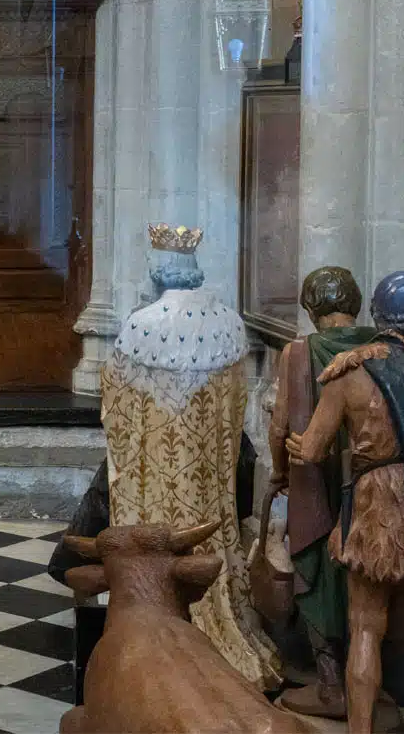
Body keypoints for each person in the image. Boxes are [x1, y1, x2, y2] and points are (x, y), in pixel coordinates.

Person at [99, 224, 281, 689]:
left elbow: (117, 404)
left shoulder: (144, 325)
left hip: (154, 474)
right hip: (205, 469)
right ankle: (219, 626)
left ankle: (153, 627)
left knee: (158, 535)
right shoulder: (228, 324)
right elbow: (236, 405)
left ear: (159, 269)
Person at [288, 270, 404, 734]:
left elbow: (312, 449)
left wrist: (292, 443)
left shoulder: (352, 371)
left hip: (379, 508)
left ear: (377, 314)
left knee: (366, 625)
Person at [268, 266, 376, 717]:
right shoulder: (384, 348)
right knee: (368, 576)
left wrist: (279, 475)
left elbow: (280, 427)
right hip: (374, 483)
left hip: (313, 476)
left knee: (313, 568)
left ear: (310, 309)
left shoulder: (297, 354)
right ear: (357, 304)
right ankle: (372, 682)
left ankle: (331, 682)